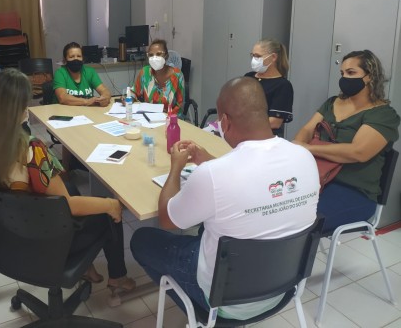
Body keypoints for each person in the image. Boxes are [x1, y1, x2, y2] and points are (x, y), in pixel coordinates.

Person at [131, 77, 319, 320]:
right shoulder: (304, 157)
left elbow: (167, 220)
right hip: (282, 290)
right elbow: (250, 178)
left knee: (142, 240)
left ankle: (198, 311)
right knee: (212, 227)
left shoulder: (214, 174)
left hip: (224, 302)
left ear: (226, 122)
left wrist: (176, 168)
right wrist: (207, 159)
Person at [0, 68, 136, 295]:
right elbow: (69, 205)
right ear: (18, 107)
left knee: (70, 186)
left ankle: (87, 268)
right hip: (48, 235)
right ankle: (118, 277)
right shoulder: (31, 150)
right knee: (108, 210)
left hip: (14, 233)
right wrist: (110, 204)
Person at [294, 50, 400, 233]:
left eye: (351, 73)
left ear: (370, 76)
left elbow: (358, 152)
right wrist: (299, 145)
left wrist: (308, 148)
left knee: (300, 222)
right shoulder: (332, 103)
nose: (344, 78)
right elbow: (306, 130)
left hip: (353, 190)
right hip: (317, 179)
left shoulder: (383, 115)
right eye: (342, 73)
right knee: (275, 209)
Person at [245, 38, 293, 136]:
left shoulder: (283, 86)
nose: (254, 59)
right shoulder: (248, 77)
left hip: (263, 136)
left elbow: (274, 122)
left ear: (273, 57)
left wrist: (243, 126)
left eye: (258, 56)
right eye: (253, 55)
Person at [131, 39, 185, 115]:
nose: (154, 58)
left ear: (166, 56)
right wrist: (129, 98)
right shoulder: (145, 72)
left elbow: (180, 104)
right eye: (151, 55)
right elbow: (134, 92)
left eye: (159, 54)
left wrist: (168, 116)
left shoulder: (178, 75)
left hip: (171, 118)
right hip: (148, 117)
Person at [53, 42, 111, 107]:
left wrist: (105, 98)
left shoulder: (90, 71)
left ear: (82, 58)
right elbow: (62, 97)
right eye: (71, 57)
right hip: (65, 110)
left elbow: (104, 90)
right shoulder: (60, 73)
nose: (76, 59)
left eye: (79, 56)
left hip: (88, 110)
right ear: (65, 60)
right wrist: (86, 101)